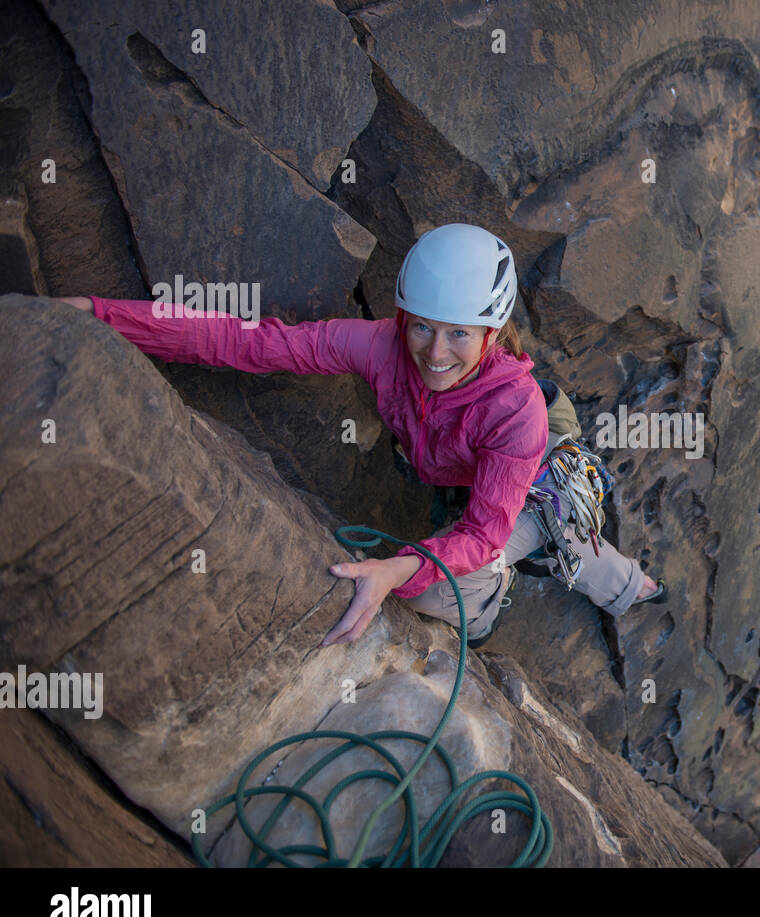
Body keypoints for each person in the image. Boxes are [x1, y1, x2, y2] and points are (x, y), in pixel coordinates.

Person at [55, 222, 665, 649]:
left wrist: (397, 570)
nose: (434, 352)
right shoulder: (378, 345)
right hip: (469, 462)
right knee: (474, 549)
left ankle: (603, 592)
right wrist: (102, 316)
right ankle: (617, 581)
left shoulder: (515, 411)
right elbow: (251, 342)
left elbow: (481, 534)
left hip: (539, 471)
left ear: (490, 331)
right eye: (421, 327)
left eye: (459, 334)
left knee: (542, 550)